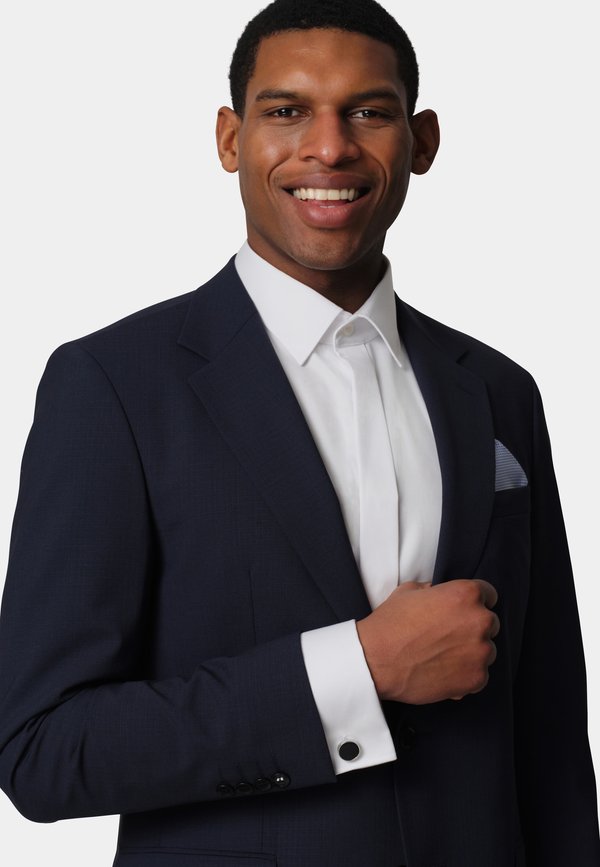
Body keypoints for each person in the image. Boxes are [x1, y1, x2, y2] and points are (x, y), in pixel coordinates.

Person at [0, 0, 598, 864]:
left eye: (369, 111)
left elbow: (551, 740)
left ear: (422, 141)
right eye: (286, 110)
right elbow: (44, 749)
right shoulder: (113, 386)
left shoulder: (501, 390)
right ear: (230, 139)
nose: (329, 146)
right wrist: (357, 669)